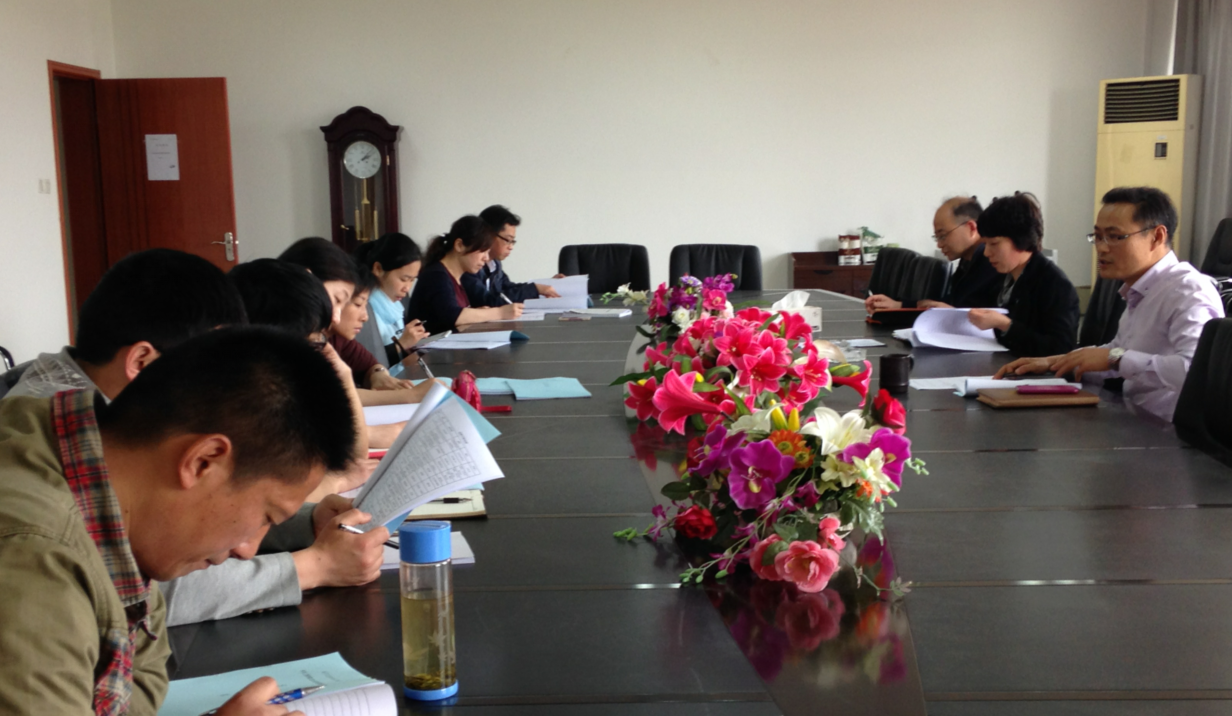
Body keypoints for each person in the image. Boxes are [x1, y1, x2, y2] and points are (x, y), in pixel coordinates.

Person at [0, 326, 370, 715]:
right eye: (266, 516)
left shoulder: (126, 526)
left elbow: (138, 688)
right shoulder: (34, 560)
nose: (248, 550)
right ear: (203, 461)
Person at [996, 186, 1225, 420]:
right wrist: (1056, 362)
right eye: (1097, 236)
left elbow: (1196, 371)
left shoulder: (1187, 290)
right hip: (1133, 419)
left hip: (1169, 432)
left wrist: (1115, 359)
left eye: (1115, 237)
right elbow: (1117, 350)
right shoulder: (1141, 290)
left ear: (1157, 236)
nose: (1102, 248)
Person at [5, 249, 247, 400]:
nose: (213, 390)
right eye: (207, 372)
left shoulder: (69, 376)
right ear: (141, 362)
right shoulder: (76, 439)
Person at [281, 237, 431, 401]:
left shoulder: (332, 335)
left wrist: (378, 373)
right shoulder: (293, 338)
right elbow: (326, 395)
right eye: (338, 300)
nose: (335, 316)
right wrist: (408, 396)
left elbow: (369, 364)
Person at [966, 192, 1079, 356]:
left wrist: (1006, 325)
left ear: (1021, 239)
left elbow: (1061, 349)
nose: (986, 253)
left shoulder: (1055, 285)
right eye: (985, 244)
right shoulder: (1002, 275)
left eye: (994, 244)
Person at [865, 196, 1000, 312]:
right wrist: (899, 305)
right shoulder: (967, 261)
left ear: (971, 228)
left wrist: (952, 312)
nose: (939, 244)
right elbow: (952, 302)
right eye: (937, 238)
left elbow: (990, 318)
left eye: (943, 236)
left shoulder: (994, 263)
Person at [406, 215, 523, 334]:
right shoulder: (436, 276)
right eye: (482, 251)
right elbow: (453, 315)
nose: (486, 258)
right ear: (459, 245)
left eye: (488, 252)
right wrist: (500, 313)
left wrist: (479, 312)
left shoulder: (457, 277)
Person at [354, 233, 429, 366]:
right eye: (404, 279)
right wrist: (401, 344)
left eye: (412, 280)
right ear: (378, 269)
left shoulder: (394, 304)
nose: (407, 288)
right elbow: (366, 364)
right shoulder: (364, 308)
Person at [463, 204, 560, 306]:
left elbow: (508, 288)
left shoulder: (495, 264)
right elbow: (487, 301)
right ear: (488, 235)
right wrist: (534, 289)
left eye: (513, 241)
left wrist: (546, 285)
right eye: (508, 240)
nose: (511, 247)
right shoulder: (470, 265)